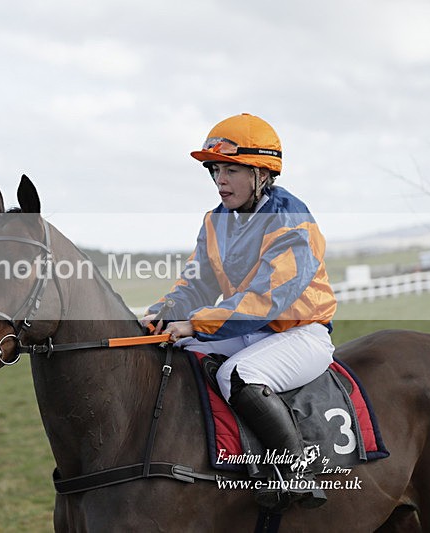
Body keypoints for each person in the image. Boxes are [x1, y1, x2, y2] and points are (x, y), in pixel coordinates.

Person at [141, 113, 337, 510]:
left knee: (239, 375)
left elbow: (267, 301)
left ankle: (295, 470)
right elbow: (198, 282)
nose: (220, 181)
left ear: (262, 174)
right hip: (246, 331)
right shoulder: (216, 221)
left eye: (232, 169)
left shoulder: (291, 219)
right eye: (215, 170)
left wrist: (195, 323)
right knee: (174, 353)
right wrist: (166, 311)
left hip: (299, 333)